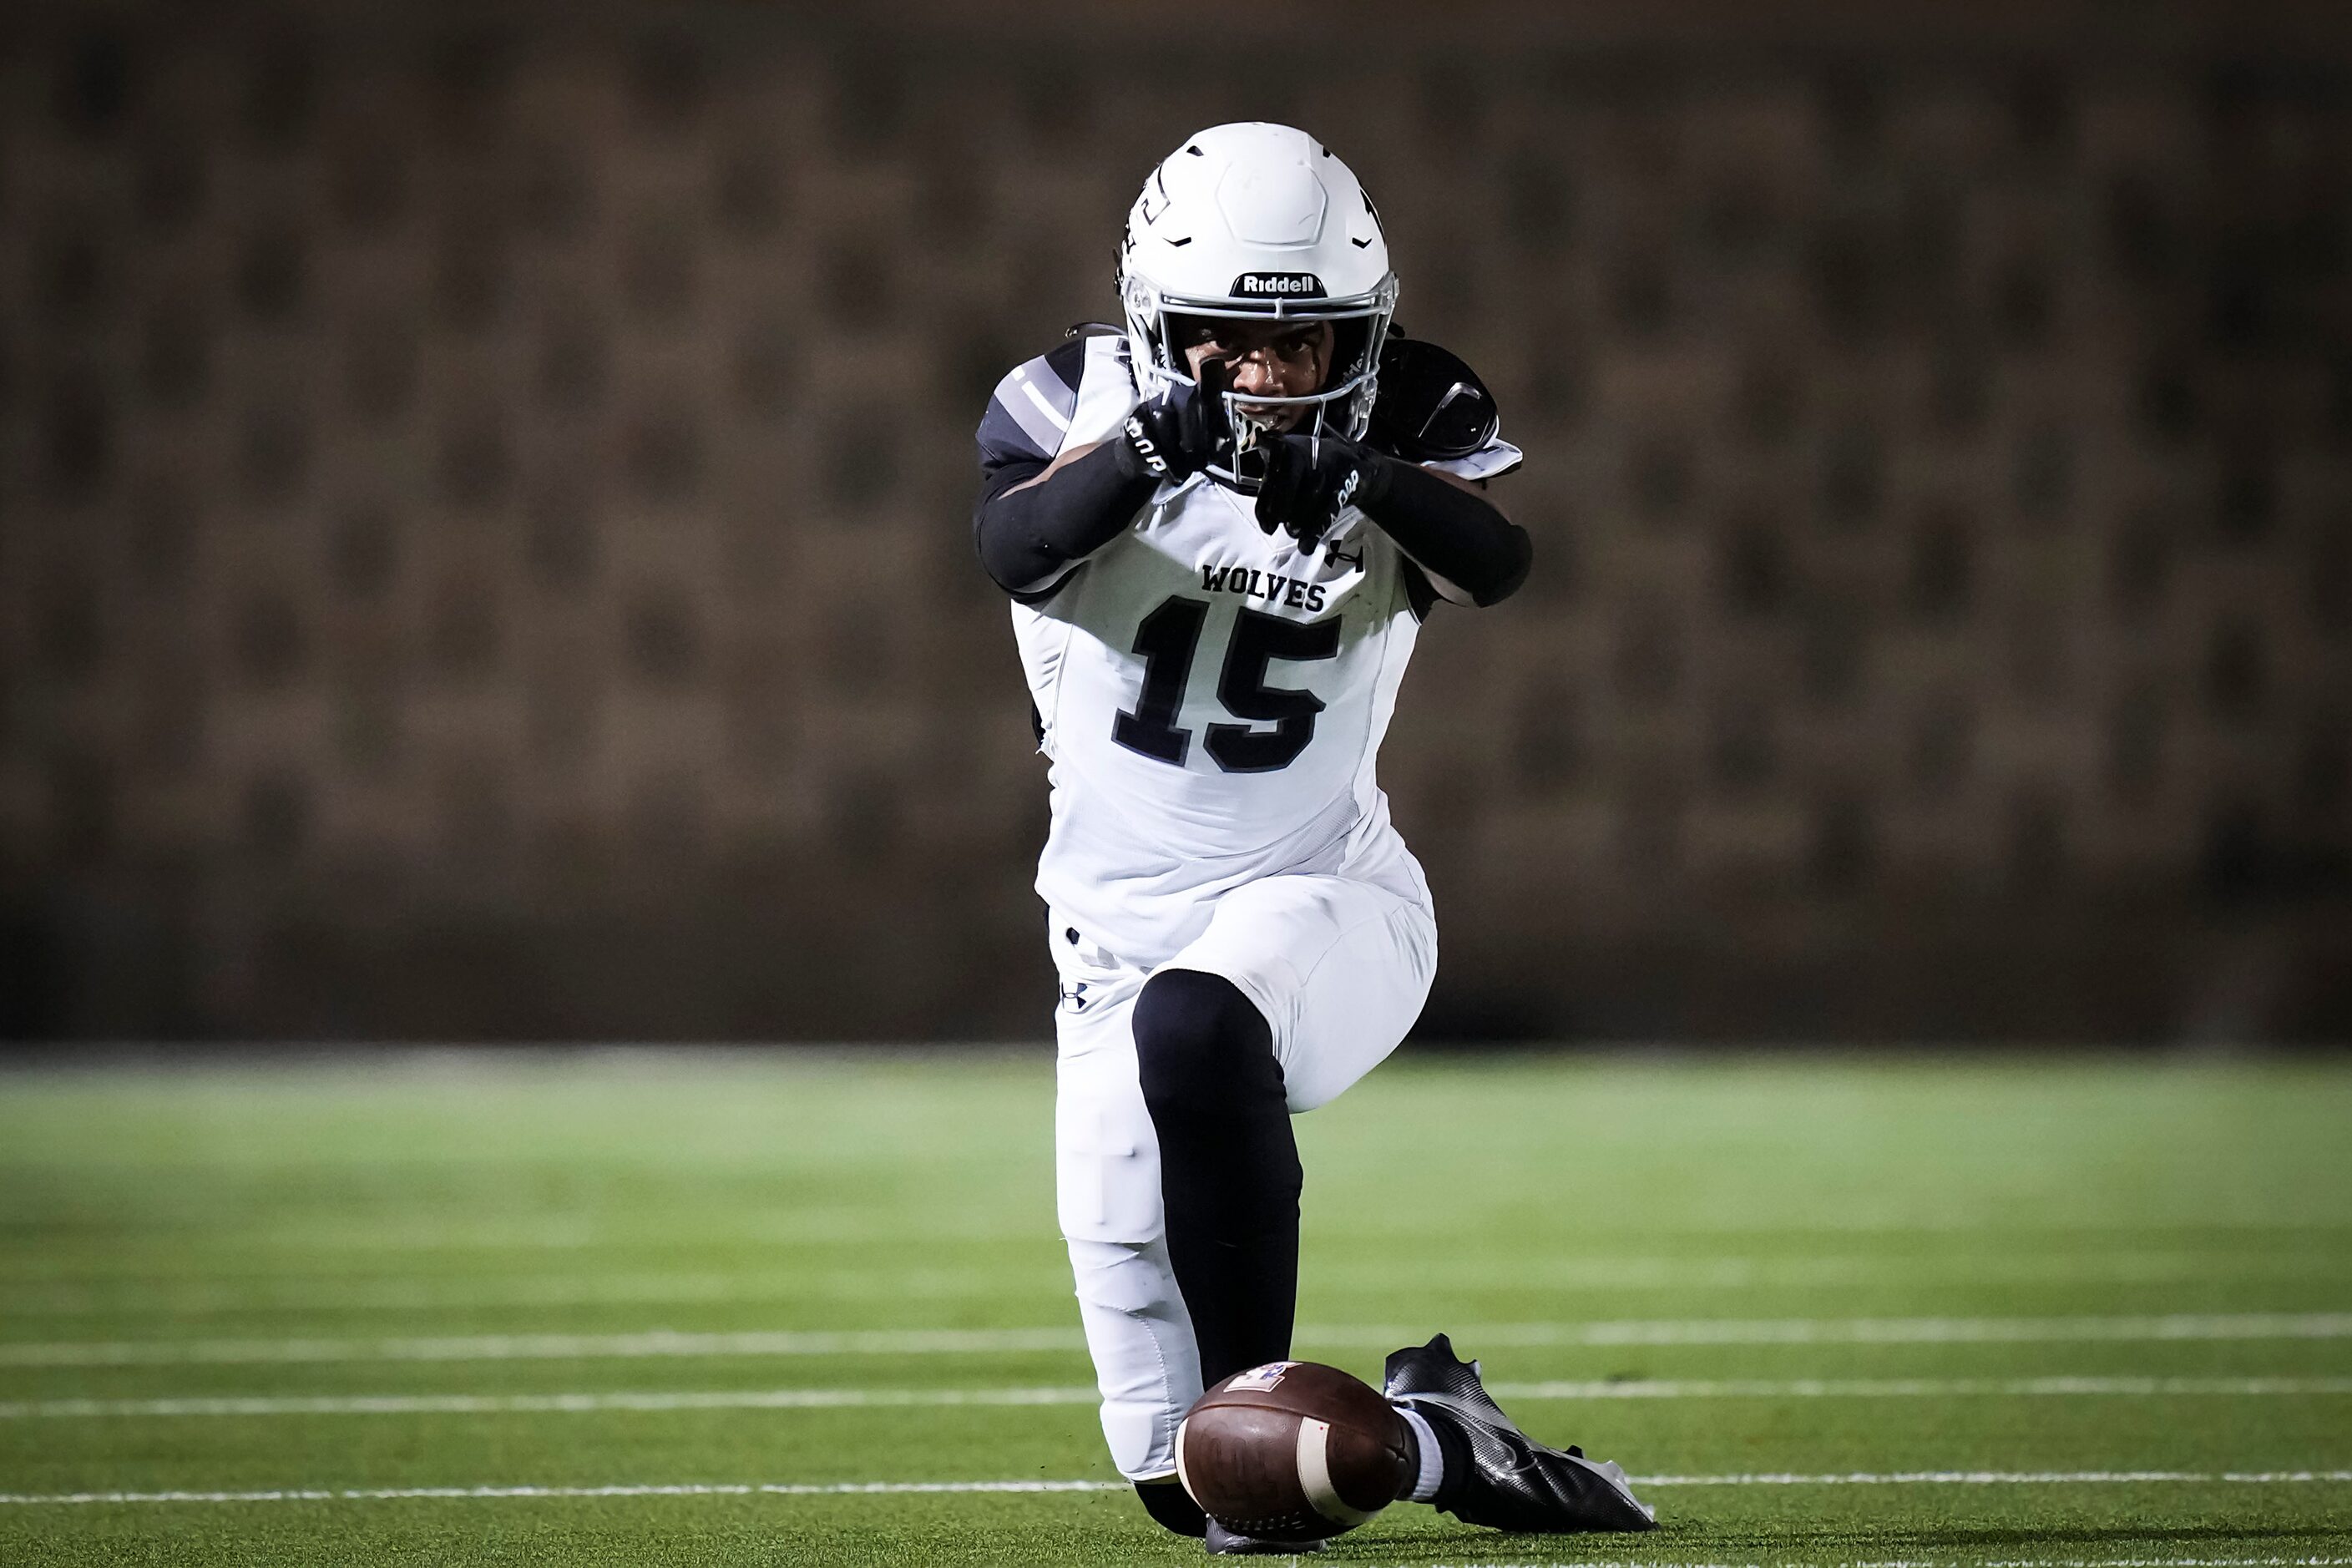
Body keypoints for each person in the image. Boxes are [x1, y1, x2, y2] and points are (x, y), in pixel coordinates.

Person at [971, 122, 1656, 1554]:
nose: (1274, 377)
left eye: (1307, 344)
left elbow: (1497, 559)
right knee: (1181, 1470)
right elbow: (1015, 547)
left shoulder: (1403, 413)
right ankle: (1438, 1445)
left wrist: (1369, 481)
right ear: (1167, 329)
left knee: (1202, 1023)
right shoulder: (1075, 401)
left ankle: (1264, 1454)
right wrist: (1159, 446)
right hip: (1108, 945)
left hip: (1326, 899)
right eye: (1233, 343)